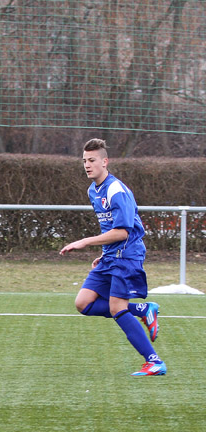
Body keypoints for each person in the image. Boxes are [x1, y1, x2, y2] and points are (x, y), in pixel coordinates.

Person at [60, 139, 163, 376]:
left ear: (105, 162)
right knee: (83, 303)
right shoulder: (93, 190)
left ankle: (154, 361)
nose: (87, 165)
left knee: (117, 308)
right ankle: (143, 309)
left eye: (92, 160)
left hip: (127, 256)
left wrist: (85, 241)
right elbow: (110, 228)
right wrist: (103, 252)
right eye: (84, 161)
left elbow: (123, 231)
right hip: (111, 255)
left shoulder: (116, 190)